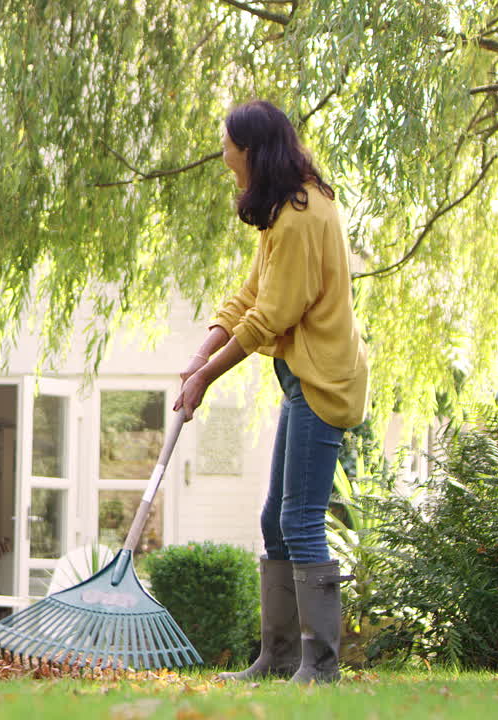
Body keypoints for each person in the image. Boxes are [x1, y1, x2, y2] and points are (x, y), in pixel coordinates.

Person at [174, 101, 368, 684]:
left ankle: (320, 665)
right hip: (303, 381)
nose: (224, 155)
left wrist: (207, 377)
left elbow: (269, 318)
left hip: (324, 380)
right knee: (274, 519)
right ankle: (280, 655)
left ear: (251, 150)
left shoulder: (303, 216)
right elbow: (249, 296)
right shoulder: (287, 210)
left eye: (228, 144)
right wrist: (199, 353)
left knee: (301, 518)